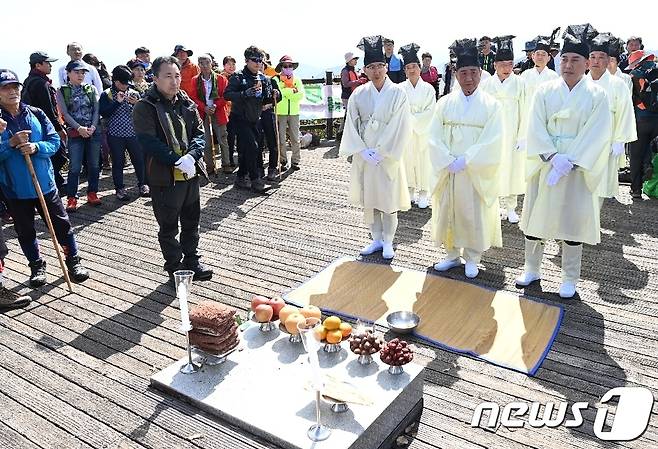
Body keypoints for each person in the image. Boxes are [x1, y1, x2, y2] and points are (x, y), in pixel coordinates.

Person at [518, 24, 611, 299]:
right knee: (536, 216)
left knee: (572, 221)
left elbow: (598, 132)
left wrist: (570, 161)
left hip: (576, 168)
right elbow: (534, 125)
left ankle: (570, 277)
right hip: (547, 163)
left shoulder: (597, 95)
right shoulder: (544, 91)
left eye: (575, 60)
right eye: (565, 59)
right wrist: (552, 156)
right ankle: (531, 268)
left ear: (586, 64)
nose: (568, 65)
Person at [0, 69, 89, 287]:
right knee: (25, 230)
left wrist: (36, 147)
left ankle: (73, 260)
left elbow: (54, 141)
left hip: (45, 184)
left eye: (15, 87)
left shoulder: (36, 113)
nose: (12, 91)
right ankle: (37, 265)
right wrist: (9, 145)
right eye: (5, 88)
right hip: (15, 188)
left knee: (61, 225)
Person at [133, 56, 212, 284]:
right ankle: (174, 267)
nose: (174, 81)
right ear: (155, 78)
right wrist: (176, 160)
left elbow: (199, 132)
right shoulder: (145, 106)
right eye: (168, 76)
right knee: (168, 226)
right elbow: (148, 141)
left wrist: (192, 156)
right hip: (164, 176)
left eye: (177, 75)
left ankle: (192, 260)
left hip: (190, 173)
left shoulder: (185, 101)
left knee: (191, 221)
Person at [428, 38, 503, 279]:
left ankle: (472, 257)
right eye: (463, 72)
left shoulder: (492, 105)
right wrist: (447, 159)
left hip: (473, 171)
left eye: (473, 72)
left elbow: (493, 139)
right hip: (449, 168)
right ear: (455, 73)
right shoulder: (444, 104)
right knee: (449, 209)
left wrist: (467, 160)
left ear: (481, 73)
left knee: (473, 212)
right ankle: (451, 255)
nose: (468, 78)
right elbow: (433, 135)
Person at [339, 35, 412, 260]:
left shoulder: (398, 93)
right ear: (365, 70)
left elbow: (401, 125)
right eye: (371, 67)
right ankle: (376, 238)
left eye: (380, 65)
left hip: (388, 156)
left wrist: (381, 152)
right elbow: (351, 124)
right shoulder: (359, 94)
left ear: (386, 67)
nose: (377, 71)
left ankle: (389, 240)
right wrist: (361, 151)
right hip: (366, 155)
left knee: (388, 199)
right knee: (370, 199)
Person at [480, 36, 527, 224]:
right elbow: (482, 113)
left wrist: (523, 136)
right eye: (502, 64)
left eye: (509, 64)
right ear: (495, 65)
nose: (506, 68)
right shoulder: (486, 85)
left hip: (513, 134)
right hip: (493, 135)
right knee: (493, 170)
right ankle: (493, 206)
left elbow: (526, 109)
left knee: (513, 170)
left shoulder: (520, 83)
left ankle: (511, 207)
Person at [586, 33, 637, 202]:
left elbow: (625, 112)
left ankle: (595, 220)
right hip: (583, 140)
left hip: (607, 139)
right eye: (592, 57)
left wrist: (620, 140)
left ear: (608, 61)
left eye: (601, 57)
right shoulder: (581, 83)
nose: (596, 61)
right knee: (582, 184)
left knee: (601, 184)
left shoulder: (618, 84)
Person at [224, 46, 277, 193]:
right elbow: (227, 95)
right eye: (255, 60)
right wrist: (244, 94)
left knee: (251, 149)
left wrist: (275, 95)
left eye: (261, 60)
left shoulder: (263, 78)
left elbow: (268, 99)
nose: (258, 63)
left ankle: (241, 177)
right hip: (239, 118)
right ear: (247, 60)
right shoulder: (238, 76)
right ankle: (256, 180)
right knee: (252, 147)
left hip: (255, 118)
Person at [99, 65, 149, 200]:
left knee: (139, 160)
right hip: (115, 135)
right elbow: (103, 112)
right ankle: (120, 189)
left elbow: (144, 112)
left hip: (134, 133)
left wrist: (137, 103)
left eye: (128, 83)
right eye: (123, 83)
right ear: (115, 81)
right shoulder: (107, 94)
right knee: (118, 162)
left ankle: (143, 184)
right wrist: (117, 102)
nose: (126, 86)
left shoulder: (134, 92)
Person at [56, 60, 101, 211]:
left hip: (92, 132)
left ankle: (92, 192)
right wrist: (79, 127)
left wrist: (93, 126)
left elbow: (96, 109)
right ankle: (71, 197)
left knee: (94, 165)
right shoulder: (62, 91)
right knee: (75, 167)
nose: (80, 75)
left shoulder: (91, 89)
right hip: (75, 133)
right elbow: (65, 113)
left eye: (83, 72)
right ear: (68, 73)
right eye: (77, 72)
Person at [21, 51, 68, 193]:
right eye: (47, 63)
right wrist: (59, 129)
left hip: (34, 127)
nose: (50, 66)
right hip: (45, 127)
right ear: (38, 65)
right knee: (59, 156)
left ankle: (57, 183)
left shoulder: (28, 81)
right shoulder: (41, 83)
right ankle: (55, 185)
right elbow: (48, 109)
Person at [399, 43, 436, 209]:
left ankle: (423, 193)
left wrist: (413, 120)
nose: (411, 70)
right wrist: (409, 121)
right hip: (406, 132)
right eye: (408, 67)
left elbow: (430, 111)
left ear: (419, 68)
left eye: (414, 66)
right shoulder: (399, 89)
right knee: (407, 160)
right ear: (405, 70)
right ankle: (409, 191)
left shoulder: (428, 89)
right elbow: (398, 111)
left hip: (423, 132)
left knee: (423, 161)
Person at [189, 54, 230, 175]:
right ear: (198, 65)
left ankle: (226, 164)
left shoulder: (221, 79)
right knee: (206, 141)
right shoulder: (194, 80)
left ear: (211, 63)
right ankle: (210, 166)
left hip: (218, 111)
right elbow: (193, 97)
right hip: (203, 113)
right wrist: (204, 107)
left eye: (207, 62)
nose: (205, 65)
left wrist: (215, 106)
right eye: (201, 63)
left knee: (223, 139)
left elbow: (226, 96)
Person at [628, 50, 658, 198]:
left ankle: (635, 190)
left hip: (640, 119)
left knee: (635, 155)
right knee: (652, 153)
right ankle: (648, 166)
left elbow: (628, 98)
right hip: (657, 120)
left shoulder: (634, 74)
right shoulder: (656, 70)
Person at [274, 55, 305, 176]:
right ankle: (283, 161)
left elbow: (301, 95)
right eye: (285, 66)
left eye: (290, 66)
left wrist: (286, 92)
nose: (288, 68)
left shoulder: (297, 80)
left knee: (295, 138)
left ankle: (296, 161)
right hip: (280, 112)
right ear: (281, 67)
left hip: (294, 112)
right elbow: (279, 94)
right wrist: (292, 91)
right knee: (280, 139)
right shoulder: (276, 80)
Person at [521, 34, 560, 108]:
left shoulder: (554, 77)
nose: (540, 57)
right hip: (527, 115)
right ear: (533, 56)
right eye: (537, 54)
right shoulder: (525, 75)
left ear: (548, 58)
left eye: (543, 54)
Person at [338, 52, 367, 138]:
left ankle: (342, 133)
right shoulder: (345, 71)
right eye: (354, 59)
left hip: (352, 95)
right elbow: (346, 83)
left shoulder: (352, 70)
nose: (356, 61)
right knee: (349, 114)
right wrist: (359, 81)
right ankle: (342, 133)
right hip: (347, 96)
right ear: (349, 61)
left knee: (349, 114)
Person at [221, 56, 238, 168]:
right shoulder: (221, 78)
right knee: (229, 136)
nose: (231, 66)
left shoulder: (238, 77)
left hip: (238, 110)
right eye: (229, 64)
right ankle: (229, 159)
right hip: (226, 111)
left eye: (233, 64)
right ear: (224, 66)